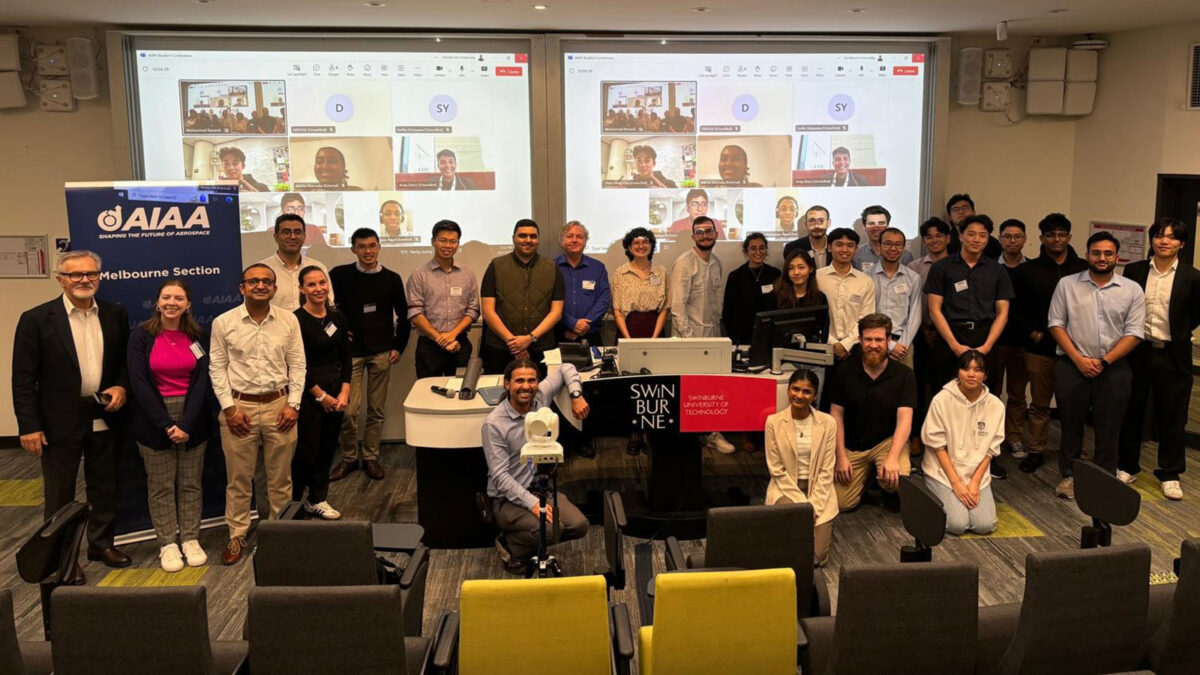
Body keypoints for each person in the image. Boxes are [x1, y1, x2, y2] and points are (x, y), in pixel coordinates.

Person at [12, 250, 132, 570]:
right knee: (60, 490)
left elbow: (123, 362)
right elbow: (23, 379)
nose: (84, 280)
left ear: (100, 276)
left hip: (104, 413)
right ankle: (61, 557)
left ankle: (101, 545)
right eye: (75, 275)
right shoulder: (36, 319)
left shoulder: (115, 313)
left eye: (91, 274)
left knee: (104, 484)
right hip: (58, 419)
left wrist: (121, 386)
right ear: (60, 279)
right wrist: (28, 426)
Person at [209, 263, 306, 565]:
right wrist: (229, 408)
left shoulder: (289, 321)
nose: (260, 286)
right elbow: (217, 367)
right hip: (240, 410)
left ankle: (280, 536)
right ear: (242, 287)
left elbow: (298, 365)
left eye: (267, 281)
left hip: (281, 406)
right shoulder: (223, 322)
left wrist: (294, 404)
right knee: (239, 478)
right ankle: (237, 534)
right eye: (253, 281)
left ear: (275, 289)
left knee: (280, 479)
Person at [1047, 231, 1145, 499]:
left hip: (1113, 367)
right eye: (1096, 253)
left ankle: (1103, 480)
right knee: (1070, 424)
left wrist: (1103, 361)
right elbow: (1056, 324)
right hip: (1072, 364)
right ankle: (1069, 477)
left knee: (1109, 426)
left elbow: (1135, 332)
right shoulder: (1067, 285)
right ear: (1088, 254)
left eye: (1108, 253)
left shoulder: (1132, 290)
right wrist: (1079, 360)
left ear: (1116, 257)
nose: (1102, 258)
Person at [127, 279, 212, 572]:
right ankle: (168, 543)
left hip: (193, 417)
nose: (172, 303)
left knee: (190, 483)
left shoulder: (197, 335)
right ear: (157, 302)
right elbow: (138, 383)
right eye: (166, 297)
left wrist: (186, 423)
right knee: (161, 486)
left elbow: (202, 380)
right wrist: (166, 424)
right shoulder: (141, 336)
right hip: (154, 419)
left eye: (178, 298)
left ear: (188, 304)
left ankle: (190, 538)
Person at [925, 215, 1013, 479]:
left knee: (988, 399)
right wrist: (954, 345)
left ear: (988, 239)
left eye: (983, 235)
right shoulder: (942, 268)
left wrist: (986, 346)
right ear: (961, 236)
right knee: (946, 396)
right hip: (950, 337)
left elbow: (1003, 313)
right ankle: (944, 456)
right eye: (971, 234)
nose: (976, 240)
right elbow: (934, 309)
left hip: (986, 338)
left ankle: (984, 458)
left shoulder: (997, 271)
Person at [1117, 218, 1200, 500]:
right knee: (1132, 410)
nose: (1165, 241)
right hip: (1137, 351)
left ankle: (1170, 473)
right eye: (1159, 236)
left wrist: (1177, 333)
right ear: (1152, 240)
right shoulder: (1134, 270)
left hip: (1173, 355)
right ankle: (1127, 466)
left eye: (1172, 237)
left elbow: (1195, 314)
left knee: (1173, 415)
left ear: (1182, 244)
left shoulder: (1192, 276)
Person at [483, 359, 591, 573]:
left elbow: (565, 367)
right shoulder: (494, 424)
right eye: (519, 381)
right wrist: (531, 503)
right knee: (551, 529)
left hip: (540, 488)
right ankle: (510, 545)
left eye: (532, 380)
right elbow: (499, 476)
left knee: (580, 525)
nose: (526, 386)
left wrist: (576, 395)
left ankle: (531, 537)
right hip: (507, 499)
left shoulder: (540, 396)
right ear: (507, 384)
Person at [329, 228, 410, 481]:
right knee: (349, 410)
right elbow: (329, 310)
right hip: (350, 355)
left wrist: (399, 346)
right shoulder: (339, 275)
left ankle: (372, 457)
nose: (367, 251)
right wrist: (340, 333)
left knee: (376, 409)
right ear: (353, 248)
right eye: (362, 246)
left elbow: (404, 315)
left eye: (372, 246)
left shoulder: (392, 278)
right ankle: (350, 458)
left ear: (379, 247)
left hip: (382, 352)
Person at [1009, 213, 1088, 473]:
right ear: (1042, 238)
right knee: (1040, 405)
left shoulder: (1083, 269)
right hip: (1039, 349)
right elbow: (1014, 310)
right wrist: (1032, 333)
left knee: (1073, 406)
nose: (1057, 239)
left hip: (1075, 351)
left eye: (1062, 234)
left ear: (1069, 237)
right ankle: (1036, 450)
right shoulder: (1026, 271)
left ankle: (1074, 452)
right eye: (1051, 235)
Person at [829, 314, 917, 510]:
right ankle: (868, 481)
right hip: (853, 447)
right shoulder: (844, 372)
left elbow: (905, 421)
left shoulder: (904, 375)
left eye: (879, 340)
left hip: (886, 443)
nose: (874, 345)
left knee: (897, 479)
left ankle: (881, 481)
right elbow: (836, 416)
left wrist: (893, 457)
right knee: (841, 504)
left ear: (888, 341)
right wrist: (841, 456)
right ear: (860, 341)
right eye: (868, 339)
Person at [669, 216, 734, 454]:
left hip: (714, 334)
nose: (705, 235)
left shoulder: (716, 262)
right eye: (700, 232)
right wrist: (690, 341)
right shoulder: (684, 264)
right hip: (690, 338)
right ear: (693, 236)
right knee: (691, 389)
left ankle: (713, 433)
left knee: (715, 388)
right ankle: (690, 437)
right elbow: (677, 307)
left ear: (716, 234)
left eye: (709, 231)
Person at [921, 350, 1003, 535]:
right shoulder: (941, 400)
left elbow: (991, 450)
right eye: (966, 369)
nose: (971, 374)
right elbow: (937, 446)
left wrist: (974, 482)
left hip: (975, 475)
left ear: (986, 375)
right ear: (958, 372)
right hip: (943, 473)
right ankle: (931, 494)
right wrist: (956, 483)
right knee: (957, 524)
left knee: (984, 525)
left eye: (977, 370)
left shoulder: (996, 405)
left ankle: (960, 500)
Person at [292, 266, 350, 520]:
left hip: (337, 393)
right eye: (312, 284)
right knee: (307, 451)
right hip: (309, 394)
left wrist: (345, 392)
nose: (318, 289)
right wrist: (321, 396)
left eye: (322, 283)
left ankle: (318, 498)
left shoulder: (337, 317)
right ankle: (294, 503)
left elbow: (347, 358)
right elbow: (296, 365)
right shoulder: (295, 320)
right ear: (302, 289)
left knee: (327, 449)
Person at [764, 369, 838, 566]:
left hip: (818, 489)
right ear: (788, 390)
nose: (799, 395)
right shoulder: (773, 422)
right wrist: (803, 505)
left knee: (817, 558)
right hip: (786, 488)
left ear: (814, 396)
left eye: (806, 392)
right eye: (795, 389)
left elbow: (826, 469)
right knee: (791, 546)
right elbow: (776, 469)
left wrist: (814, 504)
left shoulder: (828, 423)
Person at [480, 219, 566, 374]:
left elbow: (556, 312)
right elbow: (487, 311)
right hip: (500, 348)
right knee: (497, 394)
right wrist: (513, 343)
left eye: (533, 236)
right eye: (522, 236)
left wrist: (529, 339)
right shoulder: (496, 265)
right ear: (513, 238)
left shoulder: (552, 268)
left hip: (541, 347)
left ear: (538, 240)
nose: (528, 240)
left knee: (543, 394)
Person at [403, 219, 478, 381]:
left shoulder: (467, 274)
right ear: (433, 241)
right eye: (443, 240)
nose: (448, 246)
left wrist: (453, 335)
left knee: (460, 395)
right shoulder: (419, 274)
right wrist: (441, 339)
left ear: (458, 243)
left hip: (459, 344)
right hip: (429, 347)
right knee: (428, 395)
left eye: (453, 241)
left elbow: (473, 309)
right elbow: (415, 312)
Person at [908, 217, 954, 470]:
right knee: (918, 386)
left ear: (948, 238)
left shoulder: (958, 266)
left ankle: (942, 438)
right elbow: (914, 302)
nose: (934, 240)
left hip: (949, 337)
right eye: (929, 237)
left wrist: (940, 330)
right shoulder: (915, 267)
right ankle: (917, 436)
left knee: (943, 388)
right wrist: (925, 328)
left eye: (939, 236)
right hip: (919, 333)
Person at [991, 219, 1031, 460]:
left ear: (1025, 239)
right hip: (995, 340)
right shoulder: (990, 267)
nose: (1012, 241)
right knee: (991, 392)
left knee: (1017, 394)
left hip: (1022, 341)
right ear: (1000, 239)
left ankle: (1014, 437)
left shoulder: (1032, 269)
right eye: (1007, 236)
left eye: (1017, 236)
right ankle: (992, 439)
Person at [815, 228, 875, 364]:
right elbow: (814, 316)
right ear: (829, 248)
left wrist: (846, 345)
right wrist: (833, 343)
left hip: (854, 349)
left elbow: (866, 318)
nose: (844, 249)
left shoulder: (865, 281)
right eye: (839, 244)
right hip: (821, 347)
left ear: (856, 249)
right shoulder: (817, 277)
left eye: (850, 245)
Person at [870, 227, 922, 370]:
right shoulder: (867, 277)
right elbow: (866, 315)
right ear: (879, 246)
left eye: (898, 244)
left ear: (904, 247)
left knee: (902, 389)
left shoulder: (913, 278)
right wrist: (889, 345)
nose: (893, 248)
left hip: (903, 345)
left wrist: (901, 345)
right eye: (887, 244)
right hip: (873, 343)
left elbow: (915, 315)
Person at [259, 213, 333, 312]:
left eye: (297, 232)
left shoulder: (318, 267)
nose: (293, 237)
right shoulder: (262, 271)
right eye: (286, 232)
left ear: (304, 236)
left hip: (311, 326)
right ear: (276, 237)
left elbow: (328, 303)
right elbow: (257, 308)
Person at [555, 221, 611, 346]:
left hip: (591, 334)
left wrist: (584, 325)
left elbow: (604, 300)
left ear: (585, 241)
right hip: (559, 334)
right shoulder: (551, 267)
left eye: (580, 237)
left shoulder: (598, 268)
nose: (574, 240)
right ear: (561, 241)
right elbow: (547, 301)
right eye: (569, 236)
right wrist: (572, 323)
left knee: (596, 366)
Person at [722, 233, 781, 346]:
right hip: (741, 336)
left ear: (766, 250)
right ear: (746, 251)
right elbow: (727, 311)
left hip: (768, 335)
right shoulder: (735, 276)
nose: (758, 252)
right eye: (753, 248)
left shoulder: (775, 274)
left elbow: (779, 305)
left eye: (762, 248)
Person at [612, 227, 668, 340]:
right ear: (629, 247)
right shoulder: (620, 273)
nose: (641, 246)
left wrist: (654, 338)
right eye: (636, 243)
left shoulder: (661, 271)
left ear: (651, 245)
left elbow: (665, 309)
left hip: (655, 330)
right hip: (627, 330)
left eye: (645, 242)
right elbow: (617, 310)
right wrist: (627, 339)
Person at [853, 205, 913, 271]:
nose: (876, 228)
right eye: (871, 223)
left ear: (887, 226)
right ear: (864, 227)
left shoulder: (905, 256)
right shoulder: (856, 255)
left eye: (881, 223)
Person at [945, 194, 1002, 259]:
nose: (961, 212)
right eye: (956, 209)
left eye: (965, 208)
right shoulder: (945, 240)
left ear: (973, 212)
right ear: (949, 217)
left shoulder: (992, 243)